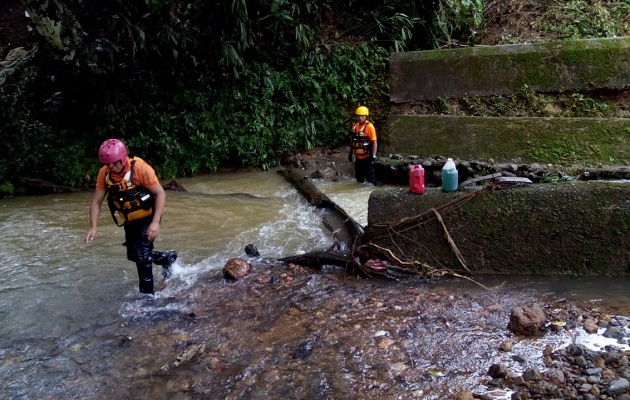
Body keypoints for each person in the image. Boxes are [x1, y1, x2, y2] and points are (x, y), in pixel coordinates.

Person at [84, 139, 177, 295]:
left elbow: (160, 193)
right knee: (134, 255)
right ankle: (167, 258)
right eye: (107, 164)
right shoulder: (104, 173)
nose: (111, 167)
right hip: (129, 220)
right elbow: (97, 201)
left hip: (148, 217)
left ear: (122, 158)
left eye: (114, 163)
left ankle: (147, 301)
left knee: (142, 260)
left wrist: (155, 223)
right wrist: (93, 226)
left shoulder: (141, 170)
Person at [348, 105, 378, 185]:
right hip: (358, 157)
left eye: (362, 116)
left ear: (366, 116)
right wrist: (351, 154)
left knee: (370, 179)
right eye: (358, 116)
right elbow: (353, 141)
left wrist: (373, 157)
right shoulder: (355, 126)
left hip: (367, 157)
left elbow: (374, 142)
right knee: (359, 178)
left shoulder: (370, 127)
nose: (360, 118)